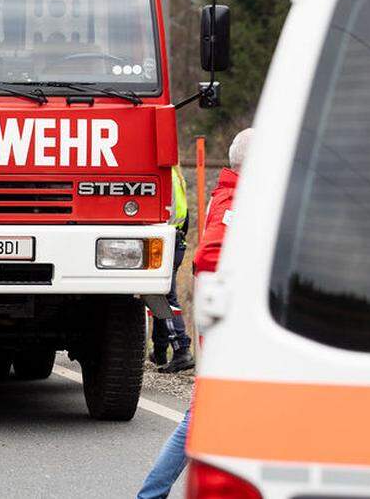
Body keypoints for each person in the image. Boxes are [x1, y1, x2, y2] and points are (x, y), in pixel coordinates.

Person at [136, 128, 251, 499]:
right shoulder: (235, 202)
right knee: (199, 418)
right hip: (227, 332)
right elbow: (210, 258)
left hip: (225, 330)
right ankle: (150, 495)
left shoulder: (235, 196)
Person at [152, 166, 194, 373]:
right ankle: (159, 351)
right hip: (177, 239)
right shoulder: (176, 174)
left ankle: (181, 349)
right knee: (156, 293)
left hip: (167, 238)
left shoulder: (164, 176)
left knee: (165, 297)